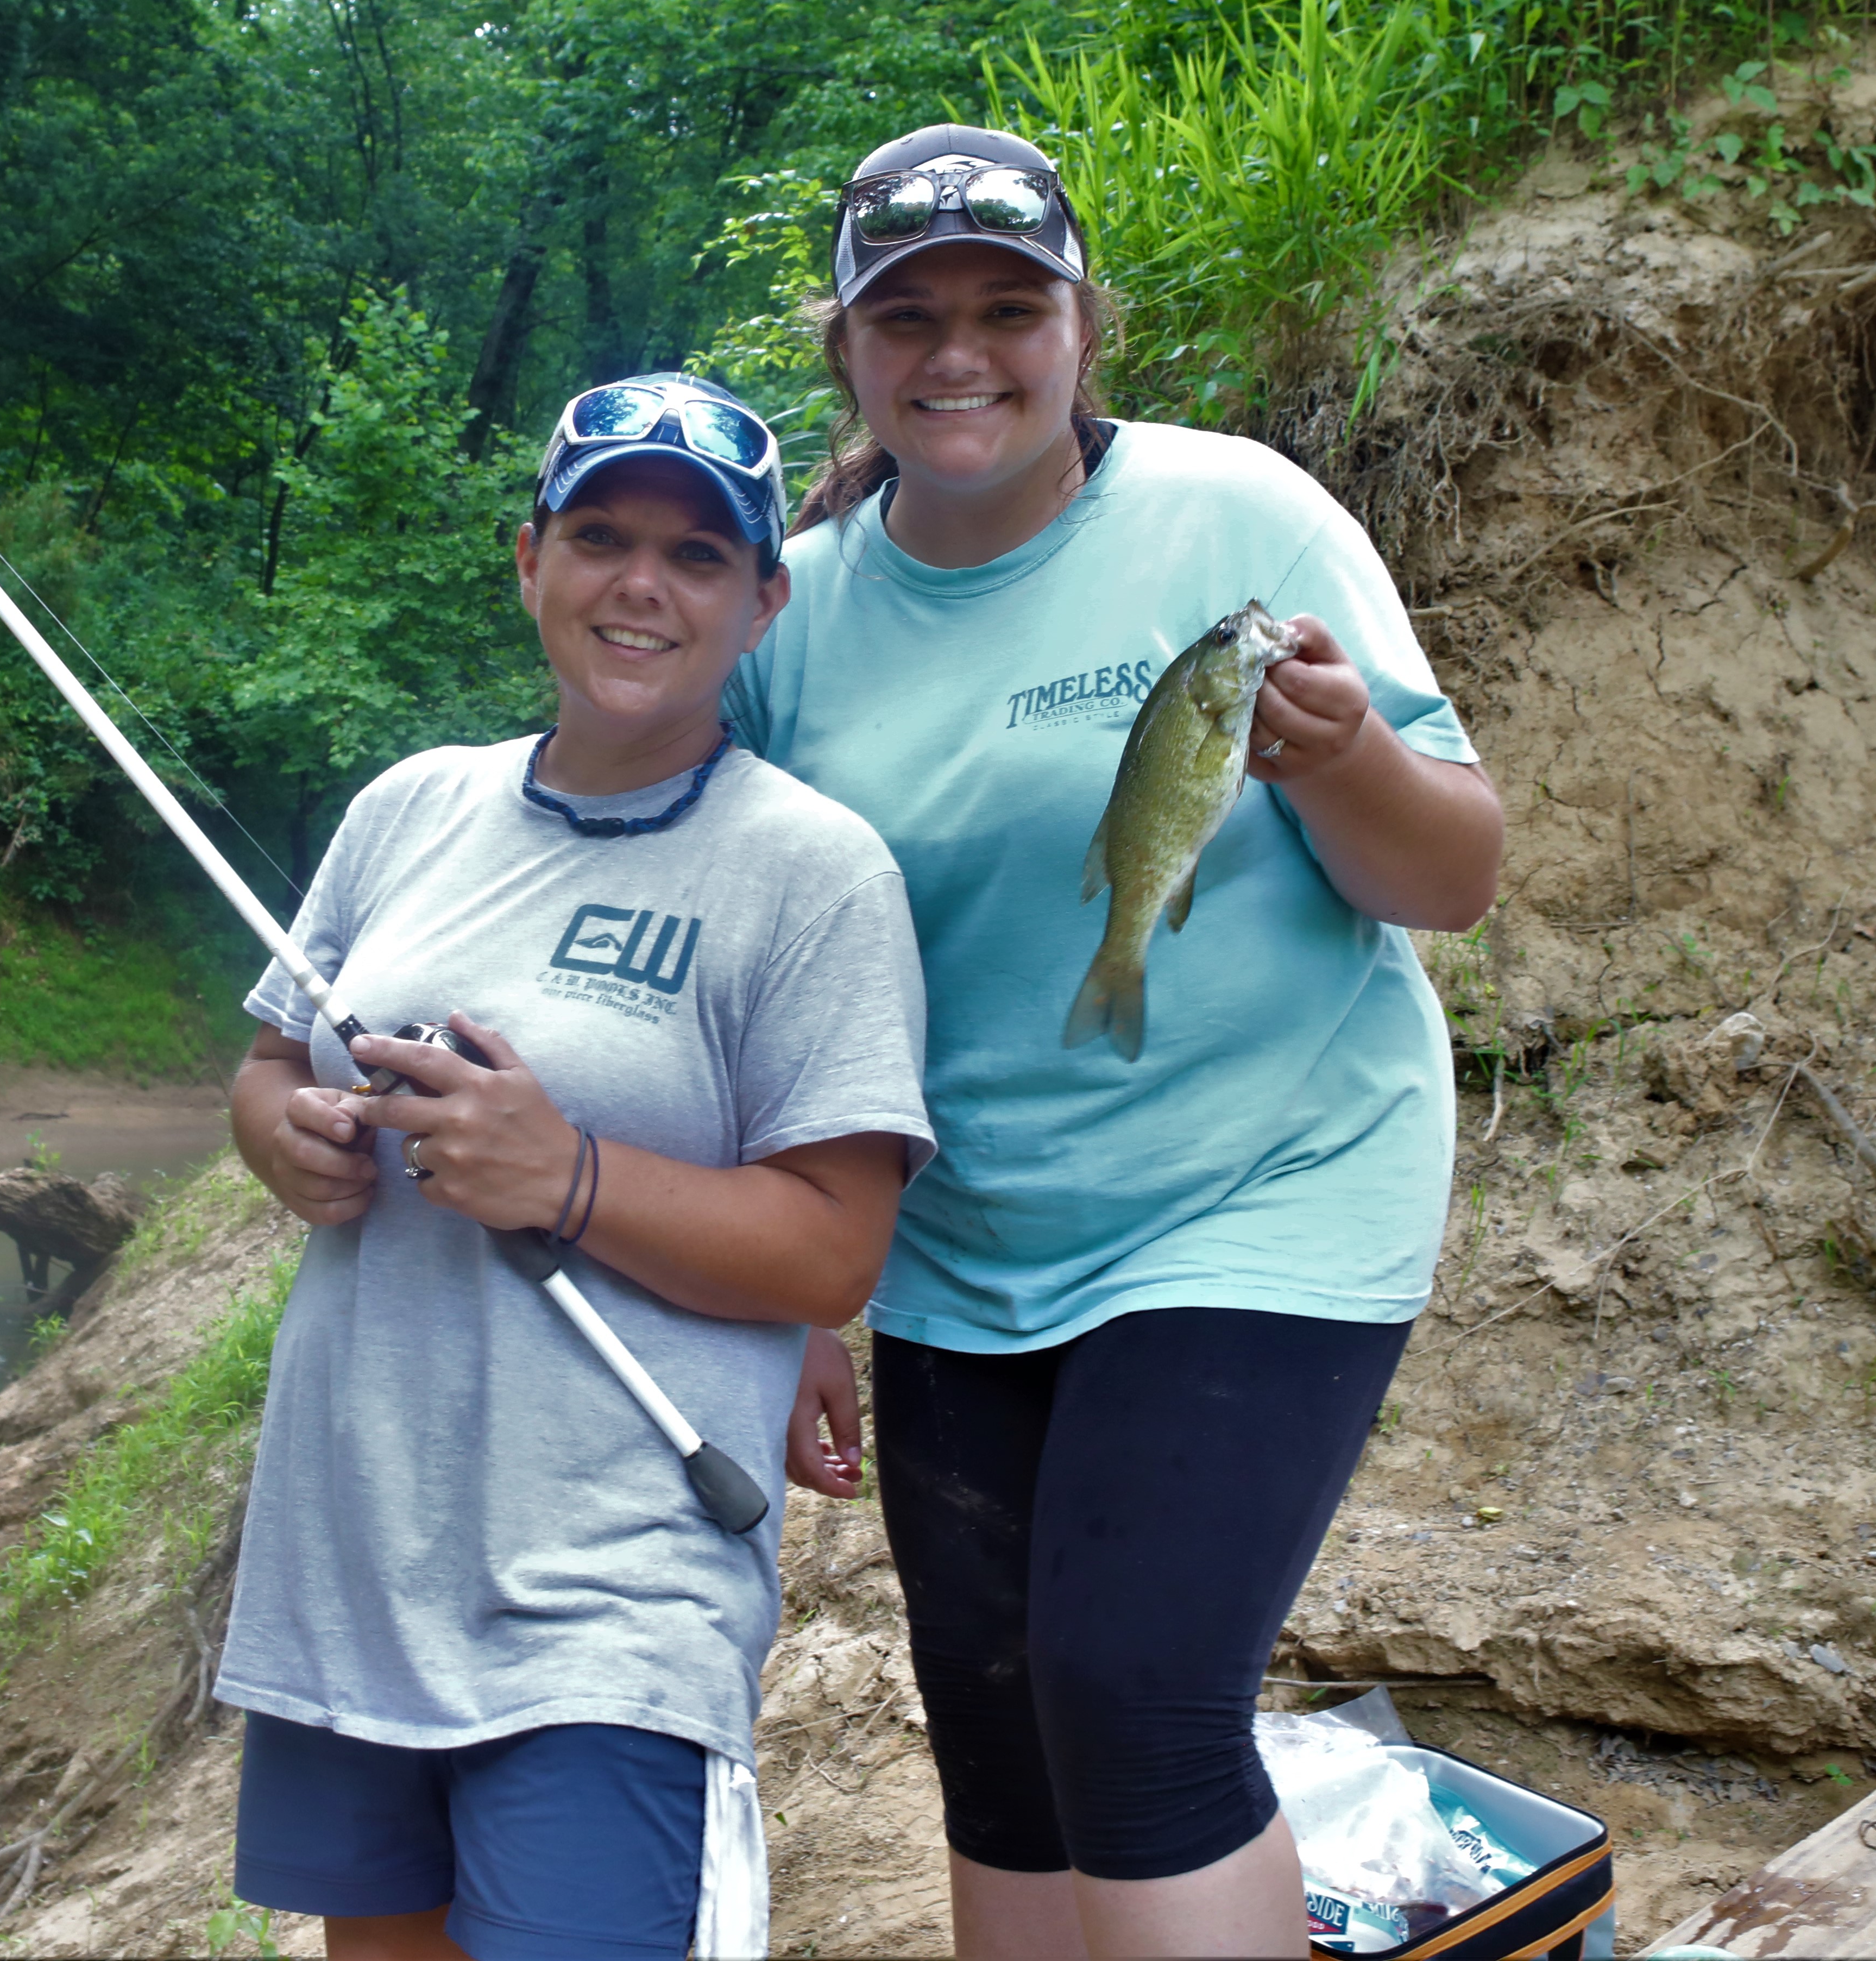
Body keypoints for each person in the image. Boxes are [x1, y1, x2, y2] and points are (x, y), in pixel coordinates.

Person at [726, 125, 1504, 1960]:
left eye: (1011, 307)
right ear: (846, 349)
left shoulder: (1240, 518)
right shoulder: (796, 614)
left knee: (1134, 1697)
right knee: (995, 1731)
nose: (960, 352)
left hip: (1269, 1184)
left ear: (1087, 328)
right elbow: (760, 986)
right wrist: (791, 1297)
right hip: (965, 1246)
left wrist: (1349, 761)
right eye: (905, 315)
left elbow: (1453, 875)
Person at [220, 372, 936, 1961]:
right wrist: (292, 1139)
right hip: (355, 1560)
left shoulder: (813, 871)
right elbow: (271, 1063)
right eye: (602, 535)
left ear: (763, 601)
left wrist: (569, 1176)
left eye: (696, 558)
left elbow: (836, 1254)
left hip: (613, 1600)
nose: (639, 585)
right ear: (528, 557)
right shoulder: (409, 809)